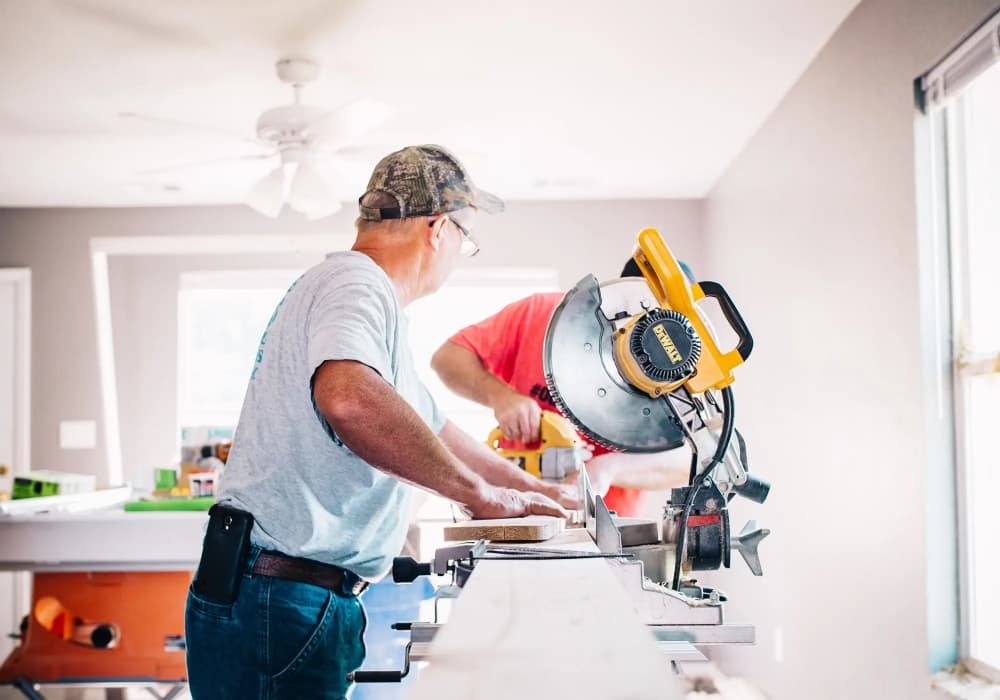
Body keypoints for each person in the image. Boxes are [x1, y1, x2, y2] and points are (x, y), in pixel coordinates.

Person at [184, 145, 575, 700]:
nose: (463, 253)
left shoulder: (365, 301)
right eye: (468, 238)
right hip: (280, 597)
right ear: (439, 228)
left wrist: (529, 488)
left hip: (282, 593)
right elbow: (349, 400)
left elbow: (435, 429)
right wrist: (477, 494)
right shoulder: (357, 285)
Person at [431, 257, 706, 518]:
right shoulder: (541, 315)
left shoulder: (679, 372)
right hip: (515, 509)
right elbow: (447, 358)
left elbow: (692, 460)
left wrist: (608, 469)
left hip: (605, 525)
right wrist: (500, 396)